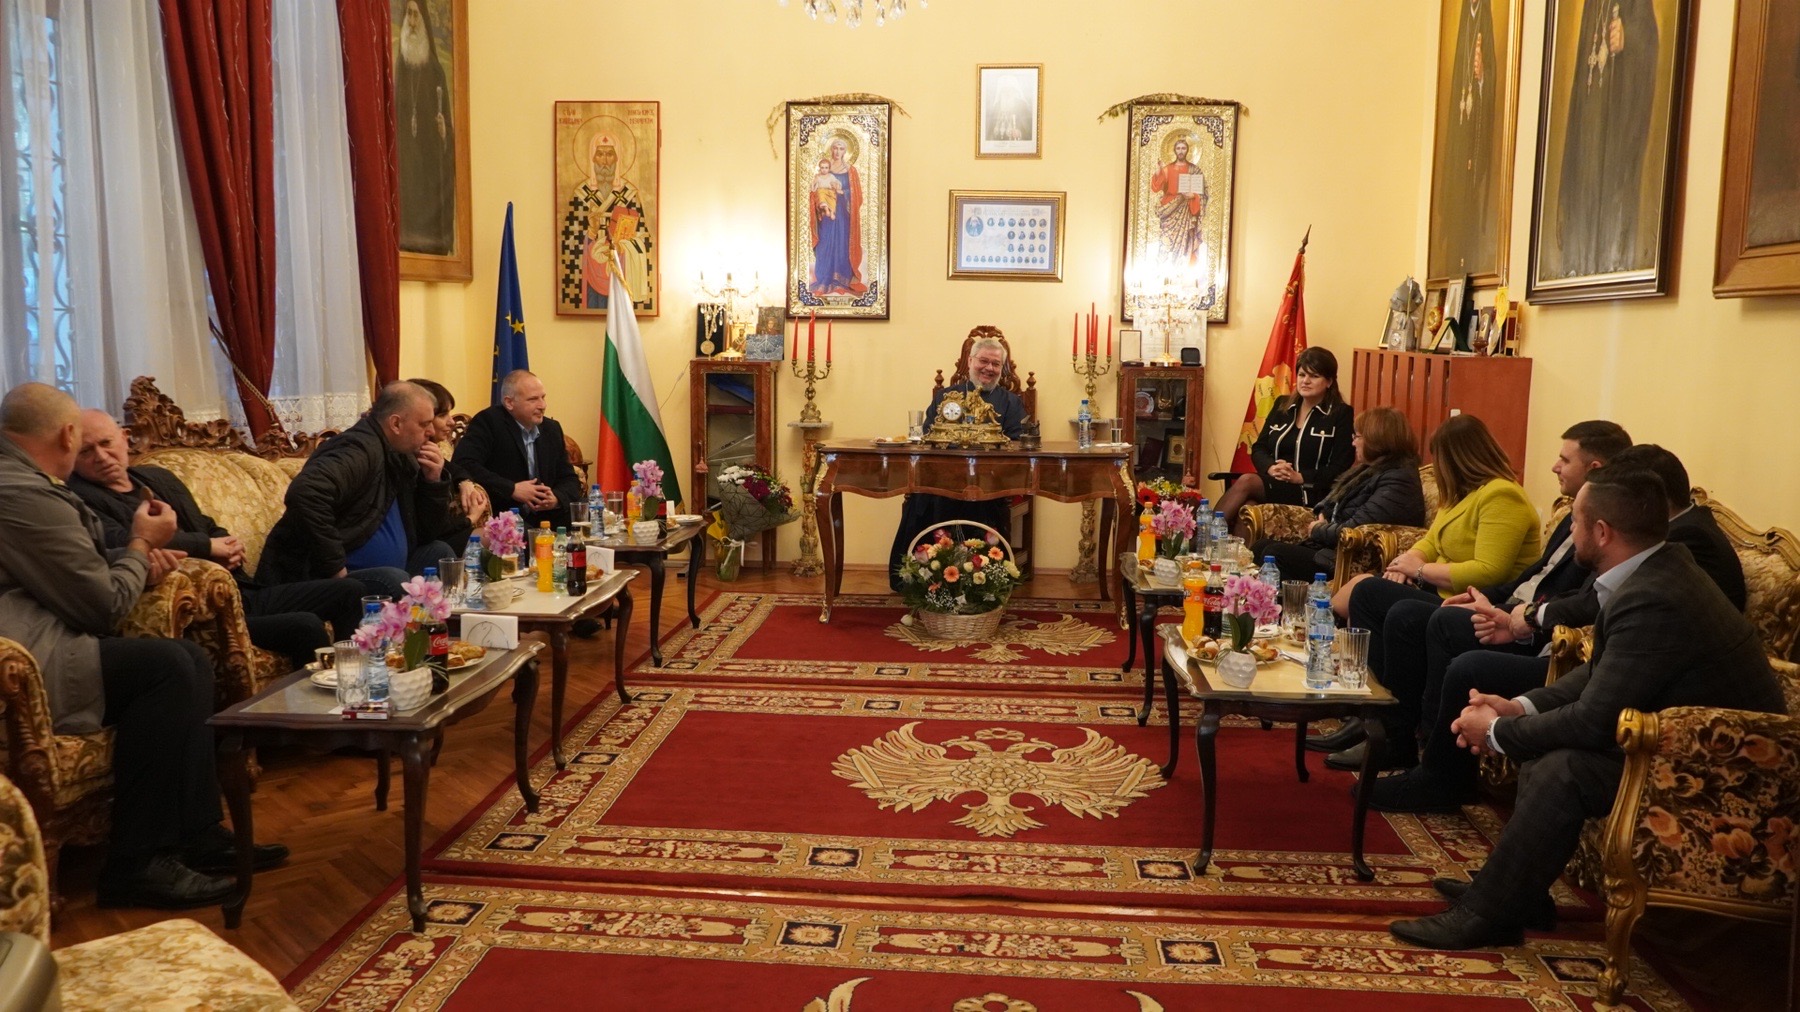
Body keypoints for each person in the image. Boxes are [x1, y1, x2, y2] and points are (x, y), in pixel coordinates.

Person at [1388, 468, 1784, 949]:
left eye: (1574, 521)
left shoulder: (1655, 596)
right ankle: (1518, 897)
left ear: (1601, 532)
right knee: (1550, 754)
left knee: (1565, 769)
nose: (1569, 530)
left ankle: (1488, 916)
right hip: (1680, 745)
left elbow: (1594, 720)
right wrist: (1518, 707)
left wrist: (1495, 732)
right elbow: (1598, 673)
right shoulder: (1654, 572)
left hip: (1729, 774)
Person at [0, 383, 287, 908]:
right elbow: (101, 606)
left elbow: (72, 567)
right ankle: (136, 863)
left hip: (41, 636)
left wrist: (130, 560)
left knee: (186, 662)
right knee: (168, 668)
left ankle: (196, 833)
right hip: (23, 661)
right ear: (67, 435)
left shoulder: (20, 478)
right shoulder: (21, 492)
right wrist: (139, 547)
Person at [1368, 440, 1752, 811]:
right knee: (1411, 611)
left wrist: (1497, 726)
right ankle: (1406, 740)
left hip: (1690, 729)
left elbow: (1599, 631)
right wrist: (1517, 686)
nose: (1571, 529)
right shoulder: (1653, 556)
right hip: (1606, 667)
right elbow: (1565, 598)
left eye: (1565, 459)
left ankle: (1438, 773)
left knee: (1542, 749)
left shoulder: (1671, 559)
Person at [1333, 420, 1630, 786]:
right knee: (1374, 595)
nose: (1555, 467)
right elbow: (1525, 574)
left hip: (1532, 628)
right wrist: (1410, 563)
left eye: (1564, 460)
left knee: (1411, 613)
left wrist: (1426, 573)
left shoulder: (1510, 498)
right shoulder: (1558, 510)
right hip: (1498, 603)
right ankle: (1376, 720)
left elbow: (1501, 573)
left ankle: (1412, 745)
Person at [68, 410, 365, 668]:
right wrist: (209, 547)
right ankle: (315, 710)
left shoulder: (157, 478)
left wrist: (228, 544)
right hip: (201, 610)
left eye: (106, 443)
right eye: (86, 451)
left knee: (350, 592)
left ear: (124, 437)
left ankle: (355, 683)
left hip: (242, 591)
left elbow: (205, 524)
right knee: (305, 625)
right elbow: (129, 539)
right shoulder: (80, 499)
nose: (101, 457)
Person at [1335, 415, 1541, 767]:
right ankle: (1370, 715)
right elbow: (1428, 543)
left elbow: (1489, 570)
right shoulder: (1460, 496)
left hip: (1475, 604)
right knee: (1370, 593)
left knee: (1370, 594)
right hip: (1442, 594)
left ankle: (1388, 728)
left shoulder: (1502, 495)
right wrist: (1406, 563)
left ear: (1457, 458)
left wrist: (1417, 570)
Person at [257, 381, 463, 601]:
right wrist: (335, 568)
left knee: (439, 553)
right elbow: (305, 494)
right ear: (396, 423)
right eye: (424, 424)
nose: (430, 432)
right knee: (393, 580)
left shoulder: (403, 453)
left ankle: (451, 620)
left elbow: (427, 533)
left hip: (390, 567)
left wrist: (432, 482)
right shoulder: (357, 449)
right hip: (322, 575)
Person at [886, 337, 1027, 592]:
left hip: (989, 484)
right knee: (923, 498)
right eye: (984, 361)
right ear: (970, 361)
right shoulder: (946, 397)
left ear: (1002, 369)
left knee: (976, 500)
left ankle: (981, 581)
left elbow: (1016, 445)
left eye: (996, 364)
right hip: (942, 481)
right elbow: (928, 435)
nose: (989, 368)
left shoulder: (1011, 403)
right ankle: (928, 575)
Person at [1251, 406, 1426, 583]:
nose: (1353, 443)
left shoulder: (1398, 479)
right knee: (1260, 546)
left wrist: (1318, 529)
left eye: (1357, 437)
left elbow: (1355, 528)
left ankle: (1289, 600)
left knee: (1274, 554)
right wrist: (1323, 514)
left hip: (1349, 560)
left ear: (1377, 439)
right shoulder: (1368, 470)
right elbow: (1330, 504)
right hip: (1332, 550)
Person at [1553, 0, 1659, 278]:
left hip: (1617, 128)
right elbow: (1581, 78)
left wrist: (1628, 38)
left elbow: (1649, 40)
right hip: (1587, 132)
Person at [1218, 347, 1356, 533]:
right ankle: (1229, 551)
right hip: (1275, 482)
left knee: (1247, 481)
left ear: (1329, 381)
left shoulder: (1340, 413)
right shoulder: (1282, 405)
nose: (1305, 381)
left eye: (1314, 376)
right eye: (1302, 375)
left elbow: (1341, 465)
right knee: (1249, 508)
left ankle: (1201, 534)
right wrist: (1271, 467)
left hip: (1309, 491)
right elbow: (1259, 447)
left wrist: (1300, 477)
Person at [454, 370, 584, 532]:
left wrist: (556, 498)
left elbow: (568, 477)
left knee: (590, 517)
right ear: (509, 403)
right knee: (522, 535)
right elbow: (464, 463)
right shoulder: (489, 422)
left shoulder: (551, 428)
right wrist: (512, 489)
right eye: (533, 399)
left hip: (547, 513)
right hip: (508, 514)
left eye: (543, 397)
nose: (542, 406)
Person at [1431, 0, 1499, 279]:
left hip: (1474, 139)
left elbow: (1491, 77)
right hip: (1459, 138)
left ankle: (1466, 261)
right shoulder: (1463, 20)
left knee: (1469, 196)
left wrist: (1482, 77)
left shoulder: (1484, 16)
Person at [559, 133, 652, 311]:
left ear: (617, 158)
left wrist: (624, 246)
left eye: (610, 154)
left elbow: (643, 238)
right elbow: (569, 240)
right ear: (592, 158)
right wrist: (590, 233)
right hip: (591, 274)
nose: (604, 161)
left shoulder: (629, 195)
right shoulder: (581, 195)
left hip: (620, 269)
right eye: (599, 154)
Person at [395, 0, 455, 256]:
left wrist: (444, 133)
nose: (411, 22)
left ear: (424, 21)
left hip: (428, 164)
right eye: (408, 15)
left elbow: (447, 130)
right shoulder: (400, 70)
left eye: (415, 15)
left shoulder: (435, 72)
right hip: (406, 164)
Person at [408, 377, 490, 529]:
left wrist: (464, 482)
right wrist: (471, 519)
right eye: (442, 415)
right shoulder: (411, 459)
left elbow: (455, 469)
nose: (451, 422)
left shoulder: (426, 450)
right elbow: (432, 530)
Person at [810, 136, 866, 296]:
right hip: (827, 216)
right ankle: (824, 281)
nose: (837, 151)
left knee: (842, 245)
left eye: (841, 148)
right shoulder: (824, 168)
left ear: (845, 151)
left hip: (842, 214)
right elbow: (814, 189)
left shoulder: (851, 171)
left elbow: (857, 195)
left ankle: (841, 282)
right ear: (831, 149)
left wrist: (841, 192)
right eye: (835, 148)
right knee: (825, 244)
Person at [1149, 135, 1208, 270]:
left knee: (1185, 242)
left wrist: (1193, 195)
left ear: (1188, 150)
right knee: (1166, 242)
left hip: (1186, 211)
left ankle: (1183, 270)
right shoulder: (1167, 169)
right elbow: (1156, 187)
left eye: (1183, 148)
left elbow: (1203, 194)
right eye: (1178, 148)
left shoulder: (1195, 170)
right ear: (1174, 150)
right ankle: (1163, 270)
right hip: (1169, 210)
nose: (1181, 151)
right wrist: (1158, 171)